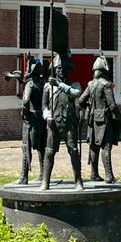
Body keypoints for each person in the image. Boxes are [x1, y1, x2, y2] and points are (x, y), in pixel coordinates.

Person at [41, 58, 84, 190]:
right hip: (53, 125)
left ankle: (78, 181)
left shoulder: (74, 85)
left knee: (74, 151)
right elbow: (44, 106)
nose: (61, 70)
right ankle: (45, 181)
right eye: (58, 68)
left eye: (63, 68)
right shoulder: (48, 86)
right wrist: (47, 116)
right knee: (49, 153)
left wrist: (59, 84)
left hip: (69, 124)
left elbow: (76, 94)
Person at [77, 56, 121, 183]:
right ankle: (109, 176)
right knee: (106, 147)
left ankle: (94, 174)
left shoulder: (90, 84)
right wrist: (120, 116)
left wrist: (89, 109)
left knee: (94, 147)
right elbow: (112, 105)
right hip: (104, 120)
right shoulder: (106, 84)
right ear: (104, 71)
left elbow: (80, 101)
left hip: (92, 119)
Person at [18, 59, 46, 184]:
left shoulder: (30, 85)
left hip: (31, 120)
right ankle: (43, 174)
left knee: (26, 147)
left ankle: (24, 177)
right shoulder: (43, 84)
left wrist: (24, 113)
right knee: (42, 148)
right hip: (42, 119)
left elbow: (25, 101)